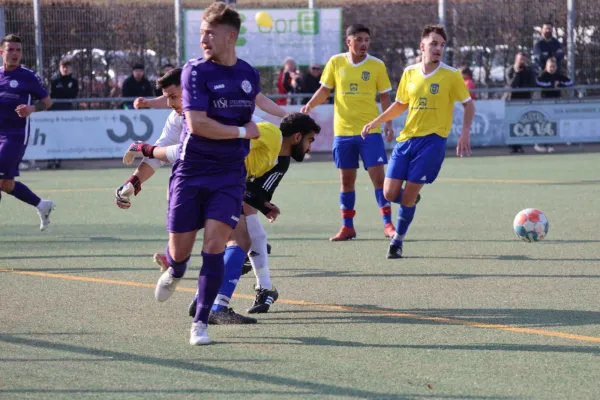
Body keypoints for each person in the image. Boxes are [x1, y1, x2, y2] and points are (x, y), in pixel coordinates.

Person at [361, 24, 474, 259]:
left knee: (408, 196)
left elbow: (468, 104)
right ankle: (410, 200)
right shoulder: (409, 73)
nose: (438, 49)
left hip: (432, 143)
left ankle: (397, 241)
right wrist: (377, 121)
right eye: (433, 43)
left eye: (442, 45)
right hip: (407, 140)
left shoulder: (451, 75)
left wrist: (465, 131)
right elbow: (401, 104)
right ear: (422, 46)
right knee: (389, 193)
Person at [301, 24, 397, 241]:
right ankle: (347, 227)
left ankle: (388, 224)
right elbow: (325, 90)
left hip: (369, 132)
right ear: (349, 41)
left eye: (367, 40)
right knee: (346, 182)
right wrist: (309, 106)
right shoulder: (336, 62)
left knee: (379, 180)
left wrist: (388, 124)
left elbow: (384, 97)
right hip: (343, 133)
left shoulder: (376, 65)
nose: (364, 44)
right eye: (359, 39)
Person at [0, 34, 55, 230]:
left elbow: (47, 102)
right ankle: (42, 205)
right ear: (1, 52)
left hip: (14, 136)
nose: (15, 54)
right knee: (6, 184)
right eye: (10, 50)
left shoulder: (28, 76)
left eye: (18, 50)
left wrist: (31, 109)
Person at [534, 57, 573, 153]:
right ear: (546, 66)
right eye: (550, 66)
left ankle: (552, 144)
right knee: (545, 123)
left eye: (554, 67)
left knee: (555, 123)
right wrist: (551, 85)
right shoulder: (543, 75)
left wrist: (560, 84)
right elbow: (538, 83)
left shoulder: (558, 76)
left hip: (556, 103)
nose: (552, 68)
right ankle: (539, 144)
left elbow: (570, 82)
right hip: (545, 102)